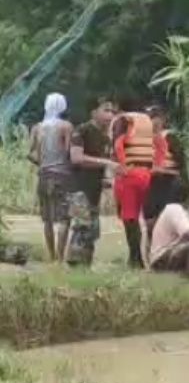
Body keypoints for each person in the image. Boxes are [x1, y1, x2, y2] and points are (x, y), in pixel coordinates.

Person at [67, 97, 120, 266]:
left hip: (95, 190)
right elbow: (76, 158)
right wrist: (106, 163)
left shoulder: (105, 138)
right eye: (106, 110)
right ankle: (75, 267)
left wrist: (106, 179)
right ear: (94, 112)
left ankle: (85, 268)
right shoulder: (82, 130)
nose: (110, 115)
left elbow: (97, 164)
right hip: (79, 190)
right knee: (82, 228)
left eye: (113, 111)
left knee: (93, 232)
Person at [28, 93, 74, 262]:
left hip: (43, 175)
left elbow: (30, 153)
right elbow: (69, 151)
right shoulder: (66, 126)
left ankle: (52, 256)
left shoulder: (37, 127)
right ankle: (61, 258)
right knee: (63, 218)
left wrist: (41, 163)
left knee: (47, 219)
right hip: (62, 175)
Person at [111, 103, 154, 268]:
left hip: (129, 175)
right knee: (147, 218)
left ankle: (135, 259)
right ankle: (146, 257)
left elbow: (118, 144)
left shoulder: (122, 121)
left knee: (130, 218)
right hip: (147, 174)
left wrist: (121, 166)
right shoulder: (146, 122)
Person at [143, 105, 187, 246]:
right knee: (150, 223)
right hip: (149, 184)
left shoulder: (170, 138)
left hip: (168, 184)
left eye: (155, 118)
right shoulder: (142, 139)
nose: (152, 122)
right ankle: (152, 254)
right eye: (149, 118)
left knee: (165, 221)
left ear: (162, 120)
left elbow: (181, 165)